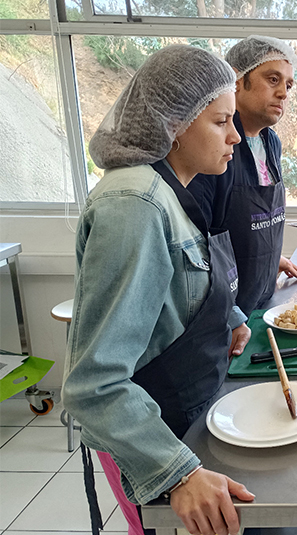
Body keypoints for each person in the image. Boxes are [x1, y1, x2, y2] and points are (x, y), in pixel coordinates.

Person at [63, 45, 256, 535]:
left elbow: (177, 284)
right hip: (155, 436)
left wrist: (227, 319)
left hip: (185, 413)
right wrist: (180, 474)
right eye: (220, 122)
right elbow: (94, 385)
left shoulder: (170, 191)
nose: (235, 136)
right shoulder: (135, 204)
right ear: (174, 125)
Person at [187, 36, 297, 321]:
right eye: (273, 79)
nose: (283, 93)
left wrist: (273, 260)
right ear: (236, 80)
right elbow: (200, 245)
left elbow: (260, 222)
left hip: (264, 299)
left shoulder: (270, 143)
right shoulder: (215, 147)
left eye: (288, 85)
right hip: (225, 312)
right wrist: (232, 316)